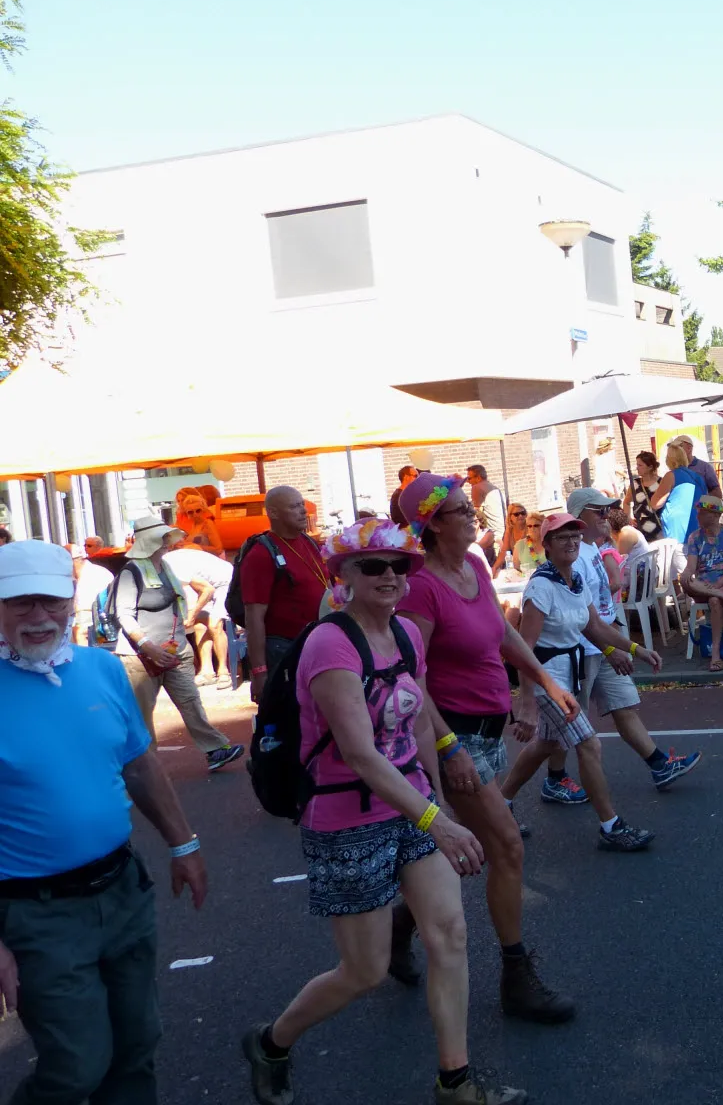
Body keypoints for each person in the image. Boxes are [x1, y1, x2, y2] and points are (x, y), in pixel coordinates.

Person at [241, 520, 526, 1105]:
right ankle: (271, 1042)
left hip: (412, 810)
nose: (391, 576)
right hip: (347, 819)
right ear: (344, 575)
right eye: (374, 566)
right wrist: (439, 821)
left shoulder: (405, 636)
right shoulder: (329, 643)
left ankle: (456, 1082)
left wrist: (437, 802)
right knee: (364, 972)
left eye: (399, 565)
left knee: (449, 934)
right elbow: (360, 756)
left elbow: (419, 718)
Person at [0, 541, 208, 1105]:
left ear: (72, 601)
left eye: (52, 601)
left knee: (138, 1045)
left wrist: (184, 843)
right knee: (76, 1066)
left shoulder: (99, 670)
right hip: (35, 913)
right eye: (21, 604)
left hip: (122, 891)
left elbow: (139, 764)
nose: (40, 617)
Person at [390, 473, 577, 1024]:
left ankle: (400, 929)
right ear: (432, 525)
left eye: (470, 509)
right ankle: (516, 978)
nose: (474, 517)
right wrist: (448, 748)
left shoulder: (472, 566)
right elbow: (410, 677)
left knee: (486, 850)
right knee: (507, 848)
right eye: (461, 511)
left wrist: (539, 682)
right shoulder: (420, 586)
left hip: (489, 733)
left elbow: (501, 633)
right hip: (457, 738)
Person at [498, 513, 663, 852]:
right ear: (546, 545)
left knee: (546, 745)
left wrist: (637, 649)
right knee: (590, 744)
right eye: (562, 537)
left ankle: (500, 804)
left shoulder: (574, 580)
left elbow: (595, 627)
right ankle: (610, 826)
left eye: (575, 536)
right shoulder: (541, 587)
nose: (572, 542)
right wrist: (526, 702)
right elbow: (523, 649)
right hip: (547, 682)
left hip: (567, 678)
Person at [538, 489, 699, 796]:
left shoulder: (594, 548)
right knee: (568, 722)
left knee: (623, 705)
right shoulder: (575, 558)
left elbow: (598, 609)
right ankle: (553, 779)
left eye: (608, 510)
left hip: (604, 642)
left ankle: (659, 764)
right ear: (580, 515)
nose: (607, 517)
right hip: (584, 651)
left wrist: (630, 648)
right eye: (599, 511)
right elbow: (582, 619)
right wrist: (615, 649)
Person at [113, 517, 243, 770]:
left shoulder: (167, 568)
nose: (166, 543)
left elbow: (182, 599)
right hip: (140, 657)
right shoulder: (130, 572)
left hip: (174, 650)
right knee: (142, 713)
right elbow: (124, 614)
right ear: (150, 541)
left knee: (190, 701)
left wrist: (185, 632)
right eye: (162, 538)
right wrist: (147, 646)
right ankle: (143, 763)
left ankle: (215, 748)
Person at [243, 485, 333, 700]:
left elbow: (328, 586)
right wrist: (259, 672)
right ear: (273, 513)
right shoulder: (261, 554)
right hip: (285, 651)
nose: (303, 511)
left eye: (302, 504)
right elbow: (254, 618)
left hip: (320, 644)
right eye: (294, 506)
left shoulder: (310, 542)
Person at [682, 494, 723, 671]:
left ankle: (715, 653)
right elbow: (691, 567)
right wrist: (686, 573)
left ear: (715, 515)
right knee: (685, 580)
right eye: (699, 512)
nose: (698, 516)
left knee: (714, 601)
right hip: (704, 585)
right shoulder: (695, 537)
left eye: (702, 513)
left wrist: (716, 586)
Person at [163, 537, 234, 685]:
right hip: (206, 584)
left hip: (223, 581)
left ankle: (223, 671)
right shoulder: (164, 565)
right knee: (200, 624)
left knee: (215, 624)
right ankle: (207, 671)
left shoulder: (169, 566)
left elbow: (207, 590)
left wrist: (191, 615)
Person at [652, 443, 706, 545]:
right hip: (696, 521)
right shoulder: (698, 477)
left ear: (669, 459)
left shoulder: (670, 476)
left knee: (678, 556)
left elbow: (655, 503)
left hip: (676, 526)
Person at [71, 541, 114, 647]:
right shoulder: (66, 579)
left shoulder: (100, 574)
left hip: (99, 632)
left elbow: (108, 608)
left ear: (73, 561)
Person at [463, 465, 507, 566]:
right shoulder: (493, 487)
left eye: (469, 478)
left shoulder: (477, 487)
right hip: (502, 532)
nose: (468, 482)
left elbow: (475, 513)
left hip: (492, 535)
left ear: (478, 478)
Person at [630, 450, 664, 542]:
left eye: (640, 465)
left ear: (650, 467)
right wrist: (629, 518)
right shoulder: (635, 484)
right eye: (637, 465)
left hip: (659, 528)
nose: (637, 468)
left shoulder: (662, 482)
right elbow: (626, 502)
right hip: (641, 529)